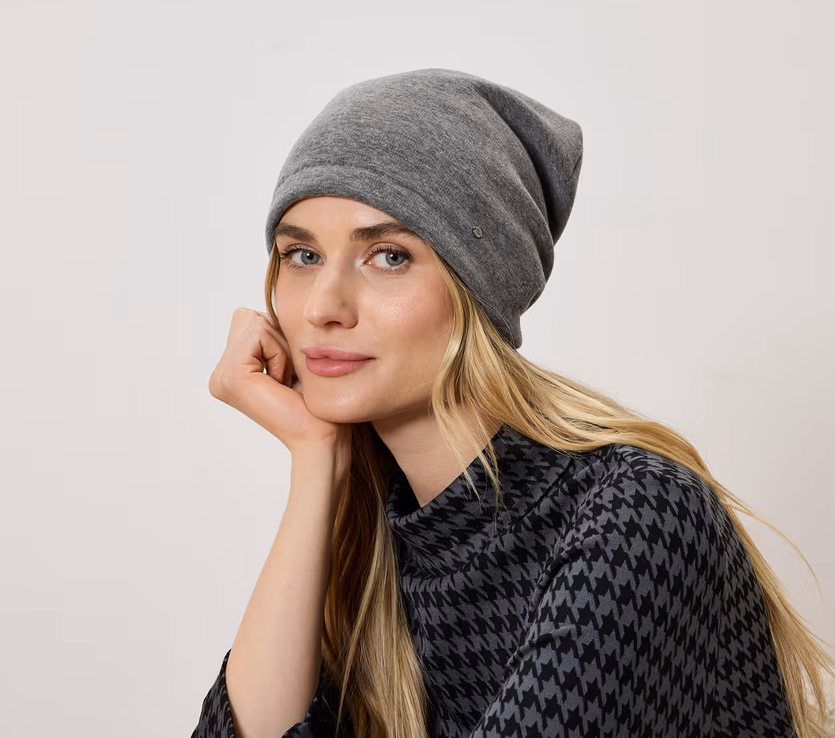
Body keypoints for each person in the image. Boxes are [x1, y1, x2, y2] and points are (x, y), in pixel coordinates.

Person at [191, 68, 834, 738]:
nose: (322, 306)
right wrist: (315, 459)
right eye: (301, 255)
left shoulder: (635, 514)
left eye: (388, 256)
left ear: (480, 285)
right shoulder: (380, 540)